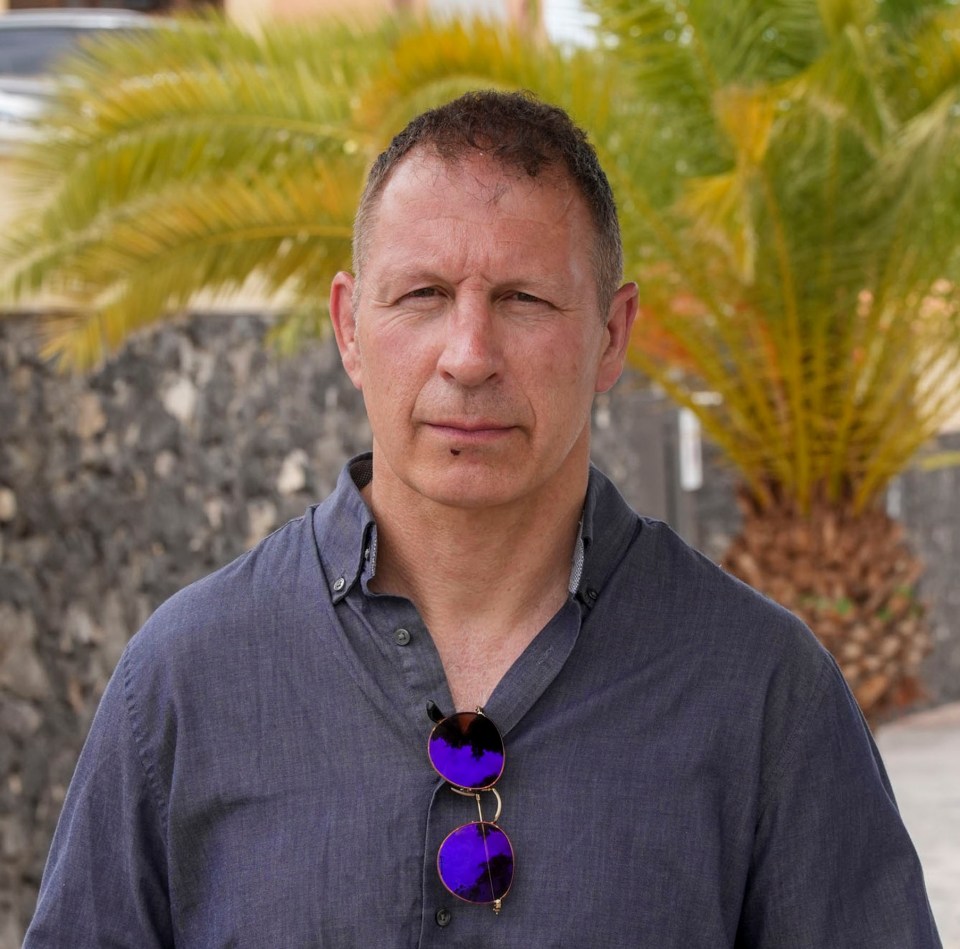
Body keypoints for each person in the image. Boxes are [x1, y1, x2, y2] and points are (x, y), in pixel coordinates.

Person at [25, 90, 941, 948]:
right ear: (349, 326)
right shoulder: (187, 681)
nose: (468, 355)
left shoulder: (762, 692)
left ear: (612, 335)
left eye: (524, 299)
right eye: (422, 295)